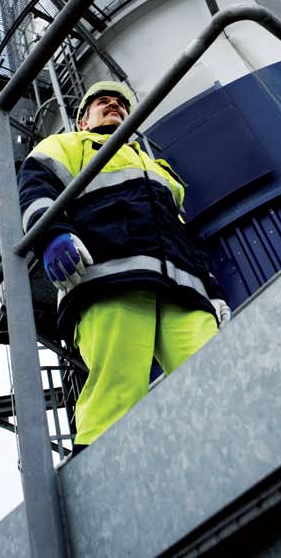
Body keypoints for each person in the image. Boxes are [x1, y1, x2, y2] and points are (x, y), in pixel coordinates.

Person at [17, 80, 230, 452]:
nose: (114, 106)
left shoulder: (156, 168)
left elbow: (180, 233)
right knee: (117, 391)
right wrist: (51, 235)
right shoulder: (65, 146)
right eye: (103, 102)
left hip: (183, 290)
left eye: (120, 104)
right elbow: (36, 190)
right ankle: (104, 483)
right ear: (83, 121)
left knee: (218, 375)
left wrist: (212, 291)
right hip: (108, 280)